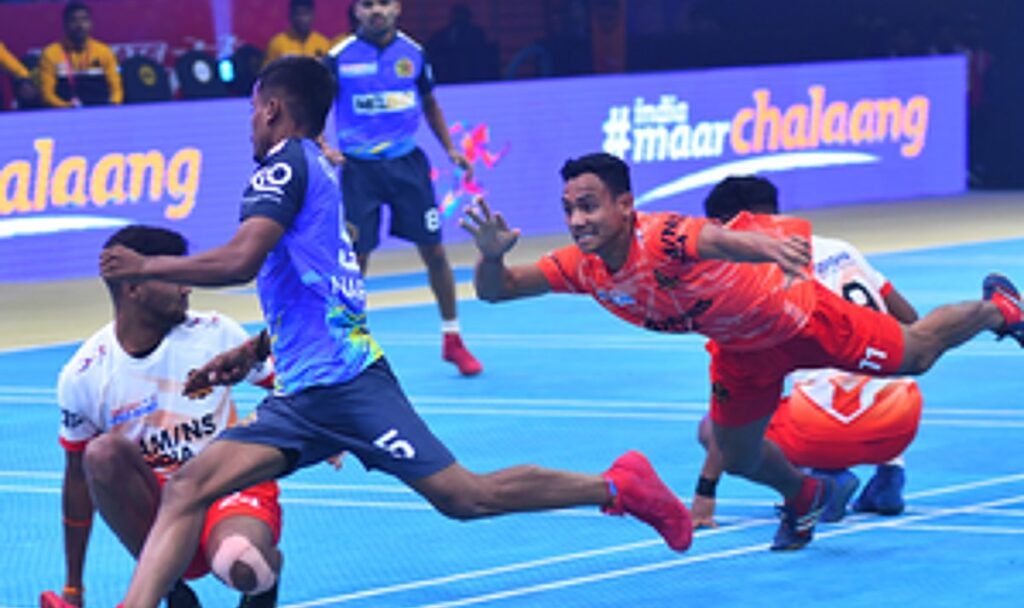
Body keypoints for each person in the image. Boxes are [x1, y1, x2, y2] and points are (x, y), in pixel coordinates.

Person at [100, 57, 691, 608]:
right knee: (187, 488)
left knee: (465, 497)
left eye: (254, 109)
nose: (251, 121)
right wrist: (257, 349)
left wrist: (145, 266)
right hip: (300, 397)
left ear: (273, 109)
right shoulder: (316, 167)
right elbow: (324, 287)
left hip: (351, 389)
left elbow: (240, 261)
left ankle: (618, 486)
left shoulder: (284, 166)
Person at [460, 152, 1024, 551]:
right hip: (741, 350)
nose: (577, 221)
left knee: (917, 355)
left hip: (801, 318)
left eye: (589, 206)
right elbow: (496, 291)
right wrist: (490, 256)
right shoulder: (580, 267)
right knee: (738, 453)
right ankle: (805, 494)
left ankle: (999, 308)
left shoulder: (660, 236)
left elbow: (714, 237)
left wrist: (765, 247)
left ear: (625, 204)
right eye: (568, 209)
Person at [43, 225, 283, 608]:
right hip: (163, 508)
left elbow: (284, 382)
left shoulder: (216, 333)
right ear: (133, 289)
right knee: (101, 454)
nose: (187, 287)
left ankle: (260, 580)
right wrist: (73, 587)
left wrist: (317, 430)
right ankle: (171, 589)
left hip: (229, 487)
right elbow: (76, 480)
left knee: (244, 564)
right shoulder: (85, 374)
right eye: (174, 276)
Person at [690, 176, 925, 529]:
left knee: (714, 428)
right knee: (873, 368)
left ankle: (821, 482)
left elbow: (731, 408)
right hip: (901, 421)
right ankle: (890, 476)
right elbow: (909, 319)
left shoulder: (751, 281)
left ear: (731, 226)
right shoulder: (841, 248)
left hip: (823, 429)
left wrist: (705, 492)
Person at [324, 0, 482, 376]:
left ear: (397, 7)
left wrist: (450, 149)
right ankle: (347, 345)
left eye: (383, 2)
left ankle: (453, 338)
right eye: (368, 4)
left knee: (435, 252)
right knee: (356, 260)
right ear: (357, 10)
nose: (376, 10)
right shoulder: (338, 56)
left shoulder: (414, 53)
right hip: (359, 170)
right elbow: (315, 106)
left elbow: (430, 104)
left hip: (407, 165)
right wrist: (324, 147)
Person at [39, 0, 123, 108]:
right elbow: (47, 94)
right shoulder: (50, 54)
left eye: (84, 19)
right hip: (65, 112)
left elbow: (116, 89)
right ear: (65, 24)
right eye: (74, 20)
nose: (80, 25)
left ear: (91, 24)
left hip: (100, 110)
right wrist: (67, 107)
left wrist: (112, 106)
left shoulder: (104, 51)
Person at [263, 0, 331, 66]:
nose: (301, 19)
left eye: (305, 14)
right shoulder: (277, 43)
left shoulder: (323, 43)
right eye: (297, 14)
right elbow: (267, 71)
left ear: (313, 16)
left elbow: (329, 70)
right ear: (290, 16)